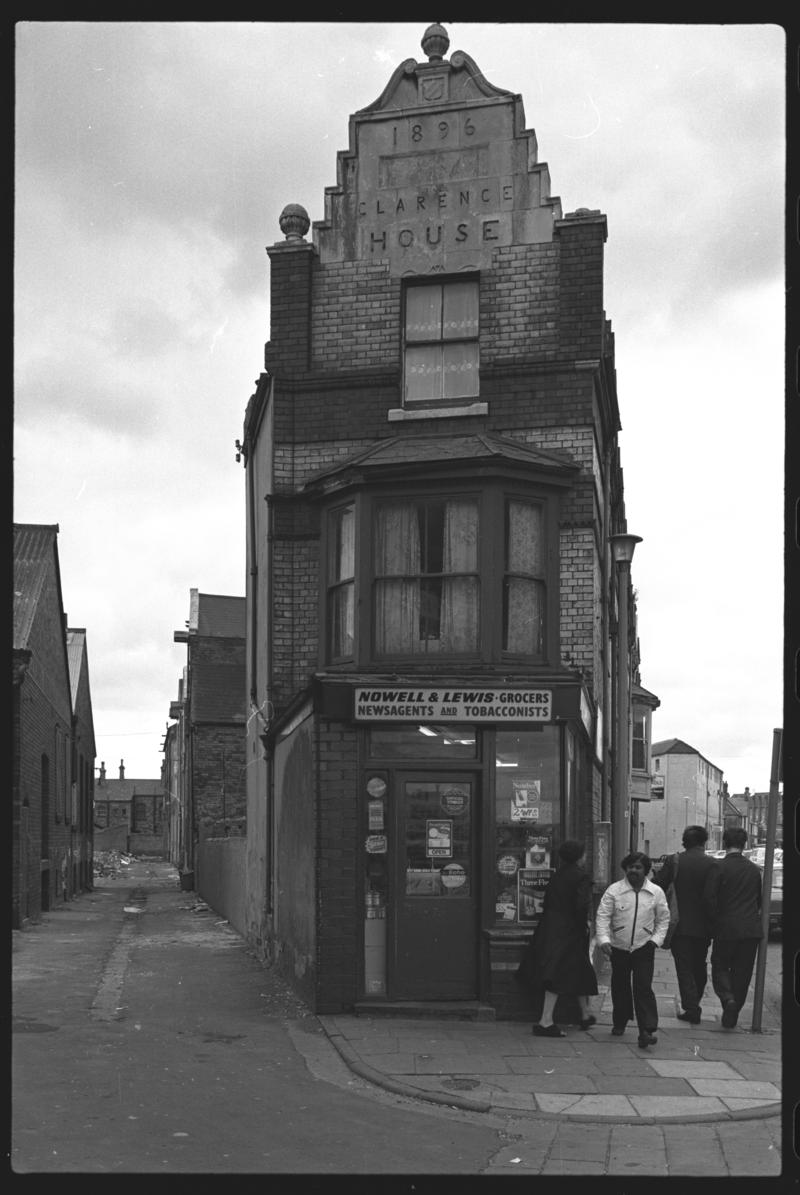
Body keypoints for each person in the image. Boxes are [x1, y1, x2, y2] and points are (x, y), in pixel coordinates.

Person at [516, 839, 598, 1037]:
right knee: (557, 973)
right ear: (580, 856)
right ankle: (545, 1021)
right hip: (570, 932)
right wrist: (585, 926)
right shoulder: (582, 877)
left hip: (551, 928)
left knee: (579, 968)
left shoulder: (557, 875)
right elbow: (581, 906)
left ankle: (585, 1014)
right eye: (584, 854)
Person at [595, 851, 670, 1048]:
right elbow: (603, 916)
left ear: (646, 870)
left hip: (644, 947)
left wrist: (655, 940)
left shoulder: (656, 892)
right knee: (620, 986)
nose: (633, 871)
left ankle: (646, 1030)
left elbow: (663, 919)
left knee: (643, 987)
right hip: (618, 947)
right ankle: (619, 1022)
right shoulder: (614, 890)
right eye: (630, 867)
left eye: (638, 867)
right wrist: (603, 940)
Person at [652, 825, 719, 1024]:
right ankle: (694, 1000)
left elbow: (658, 886)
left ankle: (691, 1007)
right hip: (704, 926)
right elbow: (713, 897)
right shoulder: (713, 864)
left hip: (679, 923)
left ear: (684, 841)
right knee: (699, 965)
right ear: (704, 841)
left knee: (684, 967)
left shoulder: (674, 860)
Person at [710, 827, 763, 1028]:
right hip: (750, 930)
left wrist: (714, 921)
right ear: (745, 844)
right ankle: (733, 1011)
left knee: (720, 965)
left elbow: (709, 899)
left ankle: (727, 999)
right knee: (743, 972)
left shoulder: (718, 867)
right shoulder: (754, 870)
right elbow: (758, 900)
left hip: (725, 927)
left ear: (724, 843)